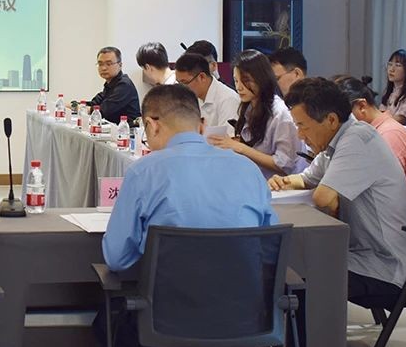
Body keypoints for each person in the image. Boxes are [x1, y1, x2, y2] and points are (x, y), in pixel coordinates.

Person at [270, 78, 406, 299]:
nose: (300, 136)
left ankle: (310, 324)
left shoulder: (357, 139)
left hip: (387, 265)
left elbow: (323, 198)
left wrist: (323, 195)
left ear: (331, 120)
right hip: (361, 254)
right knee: (290, 261)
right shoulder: (336, 140)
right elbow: (307, 178)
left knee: (294, 270)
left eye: (303, 126)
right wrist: (283, 182)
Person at [103, 84, 277, 271]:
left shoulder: (142, 172)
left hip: (168, 288)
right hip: (243, 287)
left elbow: (117, 257)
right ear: (202, 127)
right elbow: (271, 247)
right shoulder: (248, 169)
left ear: (152, 126)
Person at [209, 49, 302, 179]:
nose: (239, 87)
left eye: (245, 81)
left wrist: (241, 148)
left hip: (276, 186)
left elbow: (284, 165)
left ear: (261, 78)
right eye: (236, 81)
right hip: (251, 180)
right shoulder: (248, 108)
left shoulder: (281, 114)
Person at [335, 76, 406, 191]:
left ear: (361, 106)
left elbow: (382, 184)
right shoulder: (363, 132)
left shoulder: (390, 134)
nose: (339, 124)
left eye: (342, 117)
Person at [173, 52, 240, 135]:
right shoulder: (191, 98)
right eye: (178, 83)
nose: (181, 88)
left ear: (202, 77)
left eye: (184, 83)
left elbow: (228, 138)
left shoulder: (228, 99)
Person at [89, 47, 141, 124]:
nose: (103, 68)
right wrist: (77, 106)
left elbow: (104, 110)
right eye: (100, 64)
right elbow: (95, 102)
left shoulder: (124, 85)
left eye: (109, 64)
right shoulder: (110, 84)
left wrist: (87, 109)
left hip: (128, 129)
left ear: (120, 65)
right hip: (114, 128)